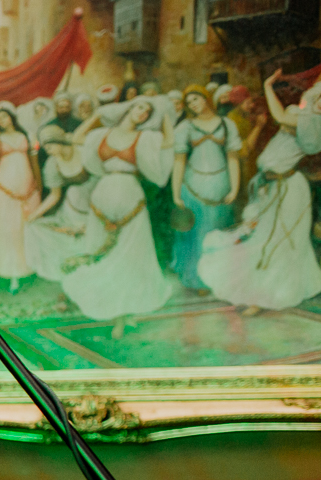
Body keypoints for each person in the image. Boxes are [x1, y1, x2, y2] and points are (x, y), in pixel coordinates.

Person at [200, 68, 321, 314]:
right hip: (272, 184)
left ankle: (262, 296)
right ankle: (261, 291)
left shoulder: (312, 122)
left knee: (276, 241)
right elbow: (285, 116)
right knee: (261, 236)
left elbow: (281, 117)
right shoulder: (299, 113)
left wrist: (267, 87)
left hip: (288, 188)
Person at [60, 99, 175, 329]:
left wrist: (163, 116)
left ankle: (125, 312)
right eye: (140, 107)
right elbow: (76, 138)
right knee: (101, 248)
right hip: (103, 195)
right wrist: (97, 116)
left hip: (130, 196)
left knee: (131, 254)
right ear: (129, 108)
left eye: (147, 112)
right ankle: (111, 307)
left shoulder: (146, 138)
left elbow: (169, 142)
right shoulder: (102, 133)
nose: (142, 113)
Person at [170, 85, 242, 293]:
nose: (194, 104)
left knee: (218, 231)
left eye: (196, 99)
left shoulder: (227, 124)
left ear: (206, 98)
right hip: (193, 185)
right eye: (189, 102)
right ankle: (199, 279)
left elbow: (233, 158)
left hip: (221, 183)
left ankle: (220, 277)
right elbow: (179, 162)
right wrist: (176, 193)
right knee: (198, 233)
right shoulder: (185, 127)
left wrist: (234, 188)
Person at [0, 103, 40, 292]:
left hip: (27, 191)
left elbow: (34, 160)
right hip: (2, 192)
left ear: (12, 118)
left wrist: (36, 183)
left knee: (24, 230)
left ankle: (26, 269)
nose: (3, 121)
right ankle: (10, 273)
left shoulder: (26, 136)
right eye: (0, 119)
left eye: (5, 117)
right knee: (8, 232)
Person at [25, 124, 95, 280]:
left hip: (96, 205)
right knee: (37, 227)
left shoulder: (82, 151)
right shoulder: (52, 164)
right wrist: (35, 215)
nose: (47, 150)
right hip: (72, 209)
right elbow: (54, 195)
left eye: (49, 145)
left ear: (58, 140)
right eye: (45, 147)